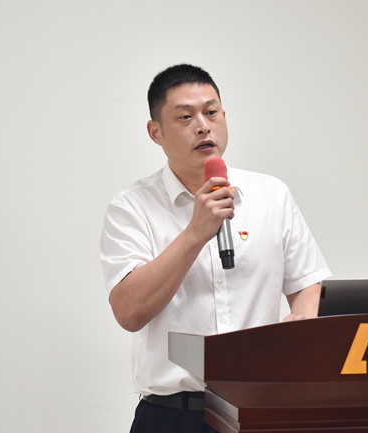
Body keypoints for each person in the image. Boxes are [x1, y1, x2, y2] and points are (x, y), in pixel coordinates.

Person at [100, 64, 331, 433]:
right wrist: (195, 233)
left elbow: (305, 281)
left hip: (260, 410)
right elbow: (129, 313)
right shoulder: (131, 207)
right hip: (171, 416)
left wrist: (300, 326)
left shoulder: (271, 195)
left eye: (211, 112)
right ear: (155, 132)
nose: (203, 126)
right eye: (185, 117)